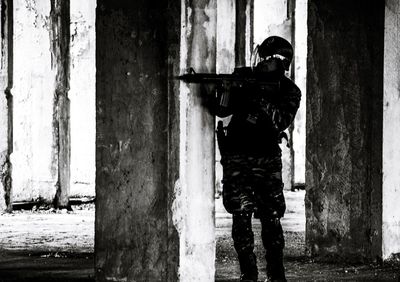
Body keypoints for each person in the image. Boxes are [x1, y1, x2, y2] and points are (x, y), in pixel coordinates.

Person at [214, 36, 301, 282]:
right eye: (261, 56)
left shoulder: (290, 91)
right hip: (238, 157)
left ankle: (276, 274)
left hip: (266, 161)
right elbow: (221, 110)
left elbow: (280, 121)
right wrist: (226, 90)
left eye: (267, 58)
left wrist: (257, 95)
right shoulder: (245, 78)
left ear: (281, 63)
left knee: (271, 218)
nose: (261, 62)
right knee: (240, 217)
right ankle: (248, 273)